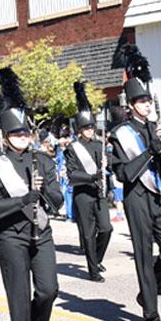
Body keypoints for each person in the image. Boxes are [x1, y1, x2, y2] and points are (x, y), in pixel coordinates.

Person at [0, 67, 64, 321]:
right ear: (5, 136)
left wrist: (44, 193)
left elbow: (58, 199)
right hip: (11, 236)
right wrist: (22, 199)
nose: (22, 137)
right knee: (18, 292)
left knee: (49, 289)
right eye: (16, 133)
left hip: (41, 231)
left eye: (25, 132)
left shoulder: (42, 160)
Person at [109, 44, 161, 321]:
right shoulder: (121, 134)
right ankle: (151, 316)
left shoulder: (157, 127)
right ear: (131, 105)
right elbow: (123, 173)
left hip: (159, 194)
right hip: (137, 197)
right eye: (141, 101)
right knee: (143, 254)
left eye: (149, 100)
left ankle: (150, 291)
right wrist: (149, 153)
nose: (147, 105)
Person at [65, 82, 112, 282]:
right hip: (83, 194)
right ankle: (92, 270)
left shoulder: (99, 144)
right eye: (86, 127)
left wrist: (106, 167)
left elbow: (105, 168)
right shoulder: (73, 148)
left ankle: (96, 259)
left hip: (99, 192)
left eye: (91, 126)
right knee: (88, 234)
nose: (90, 130)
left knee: (106, 228)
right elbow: (72, 175)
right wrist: (92, 176)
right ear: (79, 129)